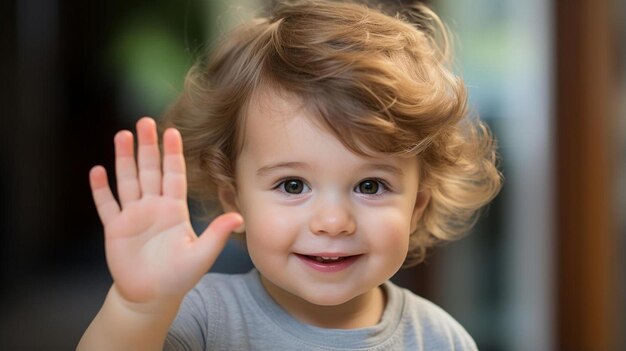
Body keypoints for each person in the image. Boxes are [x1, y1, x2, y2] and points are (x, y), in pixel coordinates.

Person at [78, 0, 502, 350]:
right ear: (234, 200)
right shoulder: (196, 320)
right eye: (293, 185)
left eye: (370, 185)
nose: (333, 222)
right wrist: (138, 308)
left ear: (416, 206)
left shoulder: (438, 339)